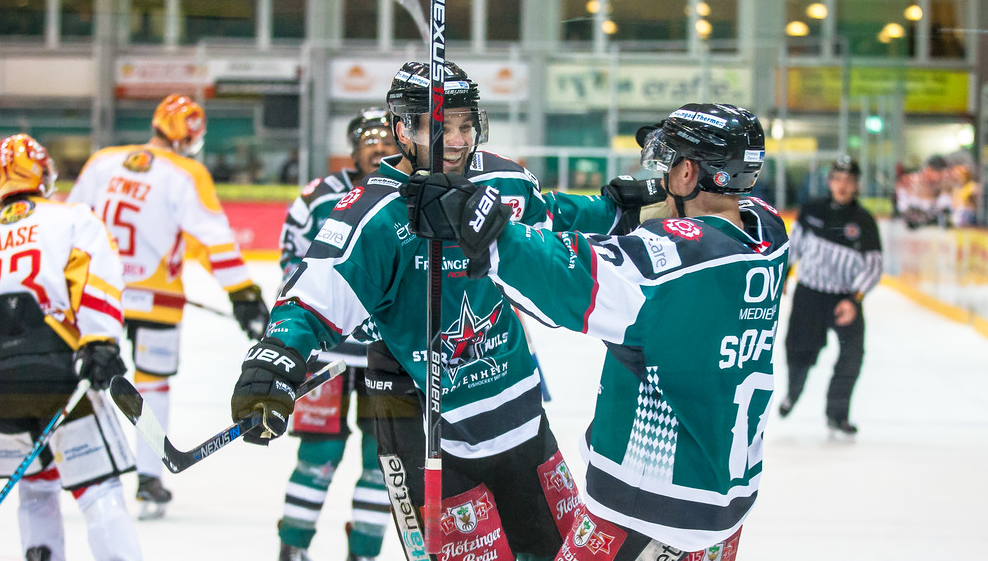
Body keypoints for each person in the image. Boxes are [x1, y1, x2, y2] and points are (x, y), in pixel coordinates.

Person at [230, 61, 638, 561]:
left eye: (467, 125)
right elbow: (312, 298)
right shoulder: (373, 213)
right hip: (421, 424)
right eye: (443, 127)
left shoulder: (499, 179)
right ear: (404, 130)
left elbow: (552, 215)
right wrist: (272, 362)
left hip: (521, 417)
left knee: (557, 553)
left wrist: (620, 210)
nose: (460, 140)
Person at [404, 103, 787, 560]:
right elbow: (701, 227)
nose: (661, 177)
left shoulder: (662, 267)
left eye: (667, 166)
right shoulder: (768, 231)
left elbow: (567, 275)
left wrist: (481, 225)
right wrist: (640, 198)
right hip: (726, 509)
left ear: (688, 173)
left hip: (646, 507)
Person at [68, 94, 270, 518]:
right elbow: (213, 241)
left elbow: (71, 225)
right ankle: (148, 477)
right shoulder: (186, 172)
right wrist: (243, 295)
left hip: (94, 296)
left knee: (90, 380)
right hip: (155, 299)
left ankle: (86, 468)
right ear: (190, 137)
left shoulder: (102, 161)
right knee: (152, 384)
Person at [0, 134, 142, 560]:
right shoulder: (71, 218)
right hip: (57, 373)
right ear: (42, 171)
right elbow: (97, 280)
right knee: (98, 488)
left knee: (35, 488)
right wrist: (100, 341)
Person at [275, 108, 397, 561]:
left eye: (387, 140)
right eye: (369, 140)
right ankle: (293, 547)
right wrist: (294, 329)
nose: (379, 148)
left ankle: (363, 551)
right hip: (325, 356)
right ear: (353, 150)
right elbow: (292, 262)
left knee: (383, 462)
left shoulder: (414, 192)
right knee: (318, 456)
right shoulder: (318, 197)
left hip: (390, 356)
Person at [779, 155, 883, 436]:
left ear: (857, 184)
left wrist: (855, 299)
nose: (843, 185)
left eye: (849, 180)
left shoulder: (864, 221)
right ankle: (793, 392)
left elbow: (874, 266)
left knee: (852, 354)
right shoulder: (812, 209)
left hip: (845, 300)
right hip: (808, 296)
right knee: (798, 351)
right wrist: (784, 276)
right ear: (829, 182)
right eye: (838, 179)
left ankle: (837, 414)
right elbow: (793, 246)